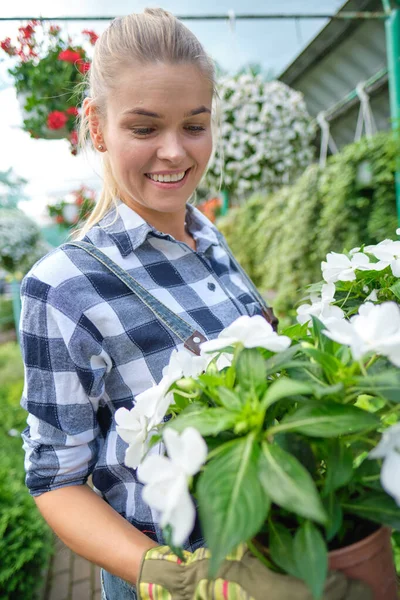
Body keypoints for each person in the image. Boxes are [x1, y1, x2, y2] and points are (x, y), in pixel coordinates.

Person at [19, 9, 371, 600]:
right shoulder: (63, 285)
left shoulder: (206, 235)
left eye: (195, 125)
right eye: (144, 128)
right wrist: (180, 579)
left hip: (274, 546)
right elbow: (56, 482)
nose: (175, 153)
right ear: (97, 128)